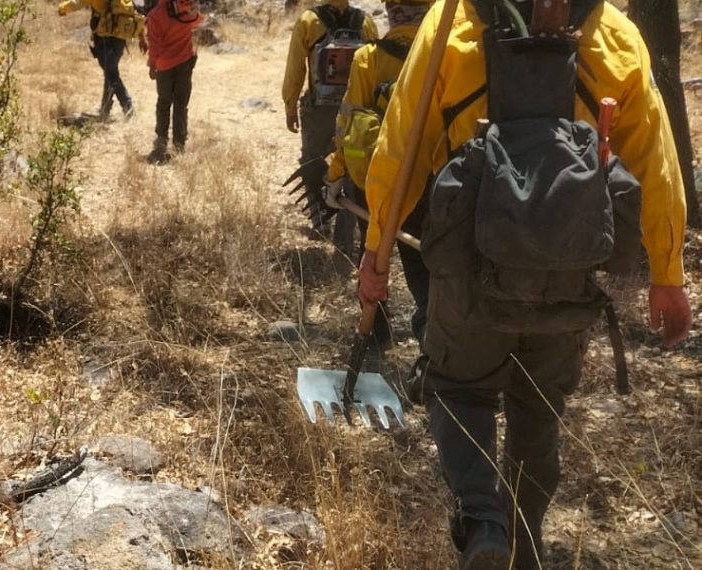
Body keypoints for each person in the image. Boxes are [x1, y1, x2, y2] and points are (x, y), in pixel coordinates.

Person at [359, 0, 693, 568]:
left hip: (469, 263)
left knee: (458, 387)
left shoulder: (452, 23)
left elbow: (402, 145)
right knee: (539, 405)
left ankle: (485, 520)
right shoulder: (615, 35)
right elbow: (655, 161)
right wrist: (668, 273)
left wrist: (376, 253)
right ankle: (526, 534)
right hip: (569, 267)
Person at [325, 0, 434, 348]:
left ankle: (375, 333)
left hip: (372, 183)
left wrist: (336, 175)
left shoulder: (368, 58)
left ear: (391, 12)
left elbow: (348, 124)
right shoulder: (444, 56)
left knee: (372, 256)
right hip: (430, 181)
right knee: (425, 263)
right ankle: (433, 343)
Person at [281, 0, 378, 255]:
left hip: (319, 109)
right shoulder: (366, 22)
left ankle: (319, 222)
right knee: (350, 168)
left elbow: (295, 69)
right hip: (356, 108)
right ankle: (344, 239)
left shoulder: (308, 21)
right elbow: (376, 67)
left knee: (312, 160)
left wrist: (290, 105)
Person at [59, 0, 146, 122]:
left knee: (112, 75)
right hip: (120, 39)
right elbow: (133, 13)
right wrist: (142, 37)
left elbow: (77, 3)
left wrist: (62, 9)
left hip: (104, 39)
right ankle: (105, 110)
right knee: (110, 74)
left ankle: (128, 108)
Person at [145, 0, 202, 164]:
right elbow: (198, 20)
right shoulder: (184, 9)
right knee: (181, 103)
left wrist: (152, 64)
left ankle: (162, 138)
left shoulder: (155, 15)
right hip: (184, 62)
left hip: (164, 65)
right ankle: (179, 142)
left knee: (163, 102)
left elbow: (154, 44)